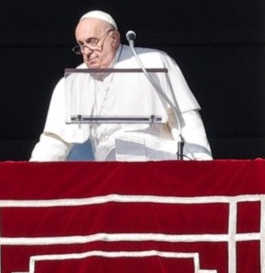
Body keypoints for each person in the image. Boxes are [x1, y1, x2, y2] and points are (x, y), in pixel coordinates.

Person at [30, 10, 213, 161]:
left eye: (92, 42)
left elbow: (185, 119)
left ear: (114, 38)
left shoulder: (152, 62)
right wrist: (31, 179)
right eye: (81, 45)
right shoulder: (71, 83)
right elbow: (54, 141)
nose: (86, 52)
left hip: (158, 165)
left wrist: (200, 170)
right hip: (109, 176)